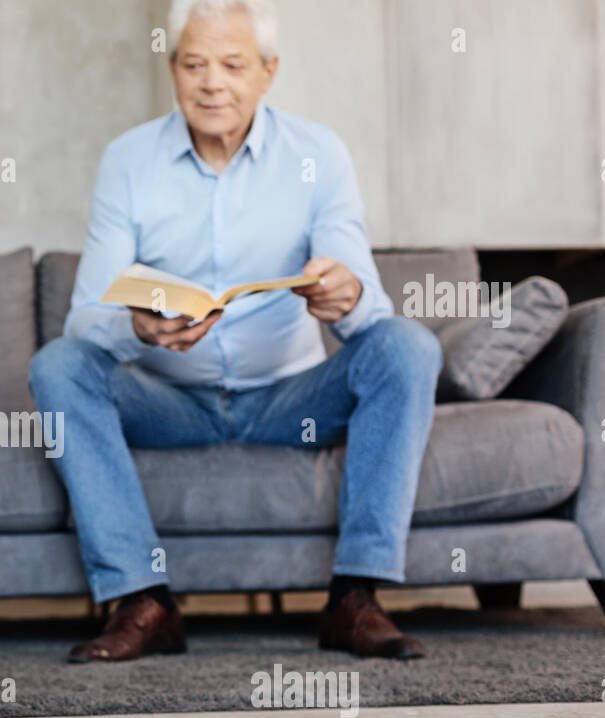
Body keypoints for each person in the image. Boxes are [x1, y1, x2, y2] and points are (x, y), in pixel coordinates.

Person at [28, 0, 443, 664]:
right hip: (172, 403)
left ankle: (354, 599)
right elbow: (85, 321)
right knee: (58, 364)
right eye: (194, 64)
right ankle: (145, 602)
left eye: (232, 64)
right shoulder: (128, 161)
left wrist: (347, 294)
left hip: (291, 399)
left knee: (407, 347)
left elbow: (371, 311)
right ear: (173, 70)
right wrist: (140, 328)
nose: (211, 83)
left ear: (268, 72)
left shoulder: (318, 154)